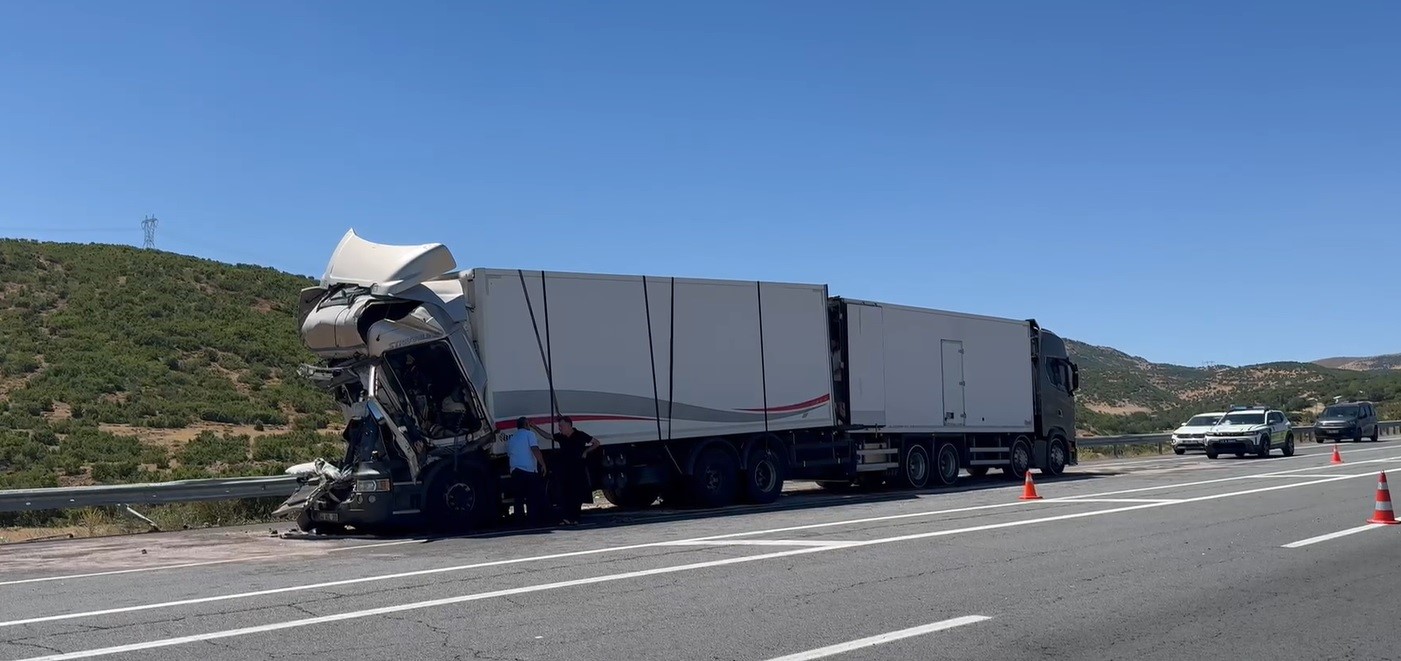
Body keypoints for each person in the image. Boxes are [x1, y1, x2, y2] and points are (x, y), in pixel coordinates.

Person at [534, 416, 600, 524]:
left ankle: (575, 518)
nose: (560, 428)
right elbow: (547, 436)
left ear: (569, 425)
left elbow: (596, 442)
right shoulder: (561, 437)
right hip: (565, 468)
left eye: (561, 426)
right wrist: (535, 427)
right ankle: (567, 518)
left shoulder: (580, 435)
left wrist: (586, 452)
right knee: (565, 493)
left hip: (578, 468)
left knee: (577, 493)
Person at [506, 416, 548, 526]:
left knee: (518, 498)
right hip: (528, 470)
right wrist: (543, 464)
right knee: (532, 497)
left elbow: (510, 453)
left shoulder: (512, 438)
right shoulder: (530, 434)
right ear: (526, 425)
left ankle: (519, 521)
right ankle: (532, 520)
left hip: (515, 470)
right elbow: (535, 449)